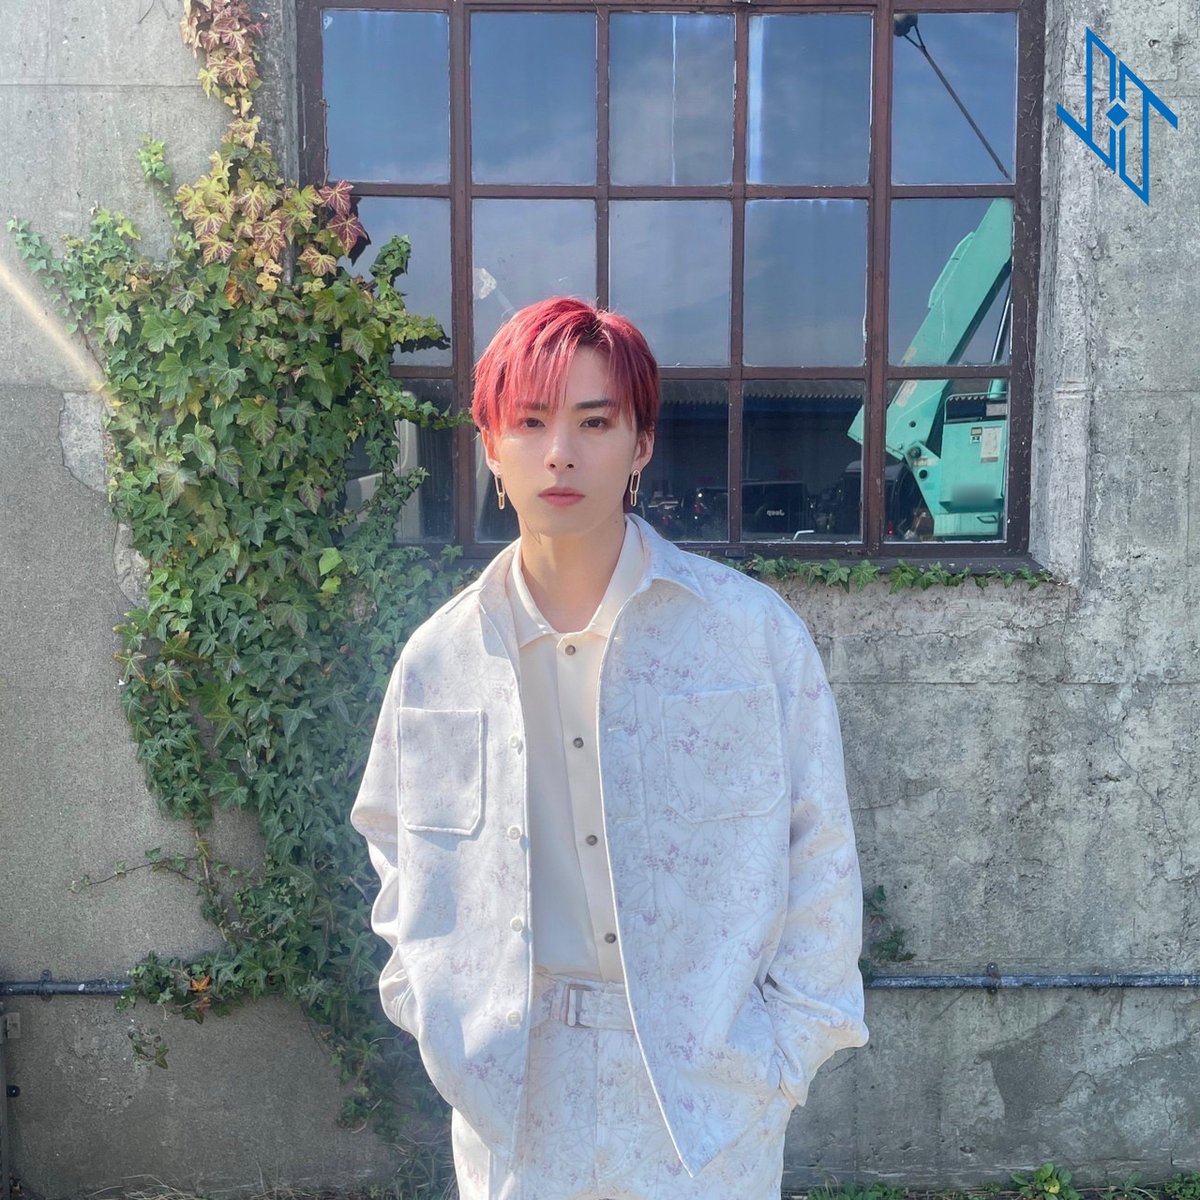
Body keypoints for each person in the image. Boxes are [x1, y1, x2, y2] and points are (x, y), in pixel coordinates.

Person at [349, 296, 869, 1200]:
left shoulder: (748, 637)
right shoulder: (440, 659)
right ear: (490, 446)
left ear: (642, 445)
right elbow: (397, 844)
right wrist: (430, 1007)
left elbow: (818, 847)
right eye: (530, 422)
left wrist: (786, 1053)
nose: (560, 453)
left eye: (595, 422)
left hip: (707, 1085)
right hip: (515, 1090)